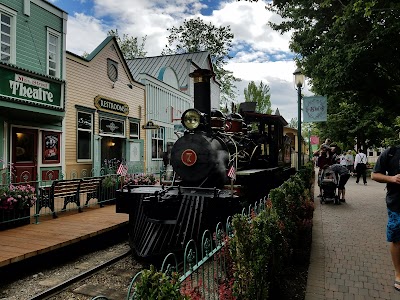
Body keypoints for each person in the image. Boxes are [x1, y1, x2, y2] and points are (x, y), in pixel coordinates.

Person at [371, 146, 400, 292]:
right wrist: (392, 178)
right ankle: (398, 273)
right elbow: (374, 175)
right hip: (396, 204)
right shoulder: (391, 152)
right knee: (396, 238)